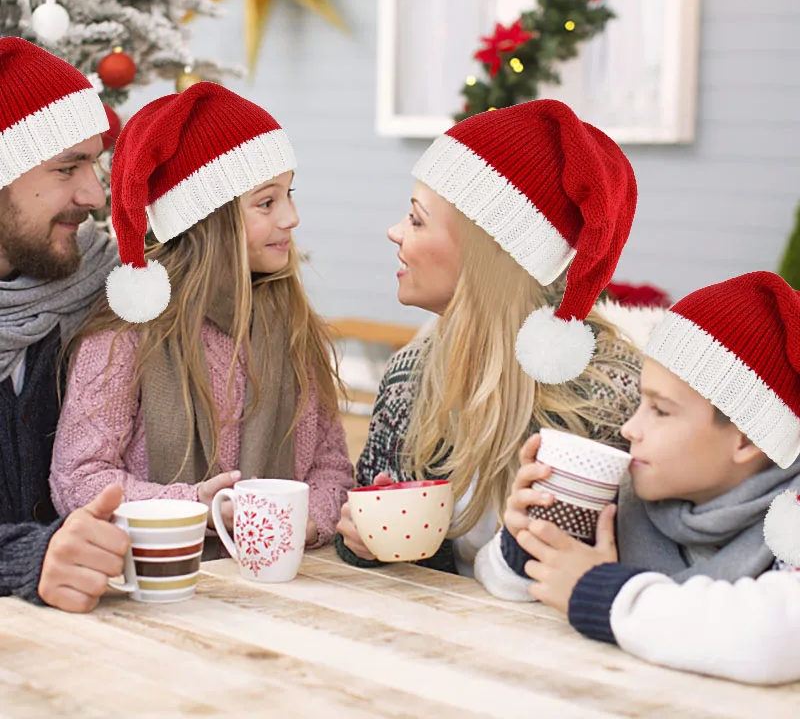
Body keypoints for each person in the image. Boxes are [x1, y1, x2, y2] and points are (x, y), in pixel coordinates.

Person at [336, 99, 641, 576]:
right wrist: (365, 542)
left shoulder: (613, 400)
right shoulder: (410, 376)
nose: (394, 231)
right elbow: (379, 551)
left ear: (489, 257)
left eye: (417, 219)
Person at [50, 83, 353, 548]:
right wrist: (197, 506)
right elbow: (78, 479)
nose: (291, 217)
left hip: (285, 585)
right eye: (267, 202)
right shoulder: (128, 336)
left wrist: (307, 523)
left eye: (289, 193)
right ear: (209, 219)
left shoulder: (292, 326)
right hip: (161, 583)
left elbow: (331, 465)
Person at [489, 272, 800, 685]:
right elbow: (504, 589)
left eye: (661, 410)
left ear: (745, 439)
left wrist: (603, 593)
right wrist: (527, 538)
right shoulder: (627, 497)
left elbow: (775, 637)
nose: (629, 430)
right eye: (641, 401)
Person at [0, 36, 128, 611]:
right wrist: (32, 558)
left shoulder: (108, 290)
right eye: (67, 167)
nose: (95, 194)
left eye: (95, 164)